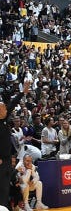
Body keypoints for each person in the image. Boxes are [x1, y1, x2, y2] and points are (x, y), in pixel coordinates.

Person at [0, 80, 30, 211]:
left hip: (7, 160)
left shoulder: (5, 118)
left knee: (5, 188)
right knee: (1, 188)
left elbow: (13, 103)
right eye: (2, 108)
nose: (6, 109)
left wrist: (23, 92)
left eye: (5, 108)